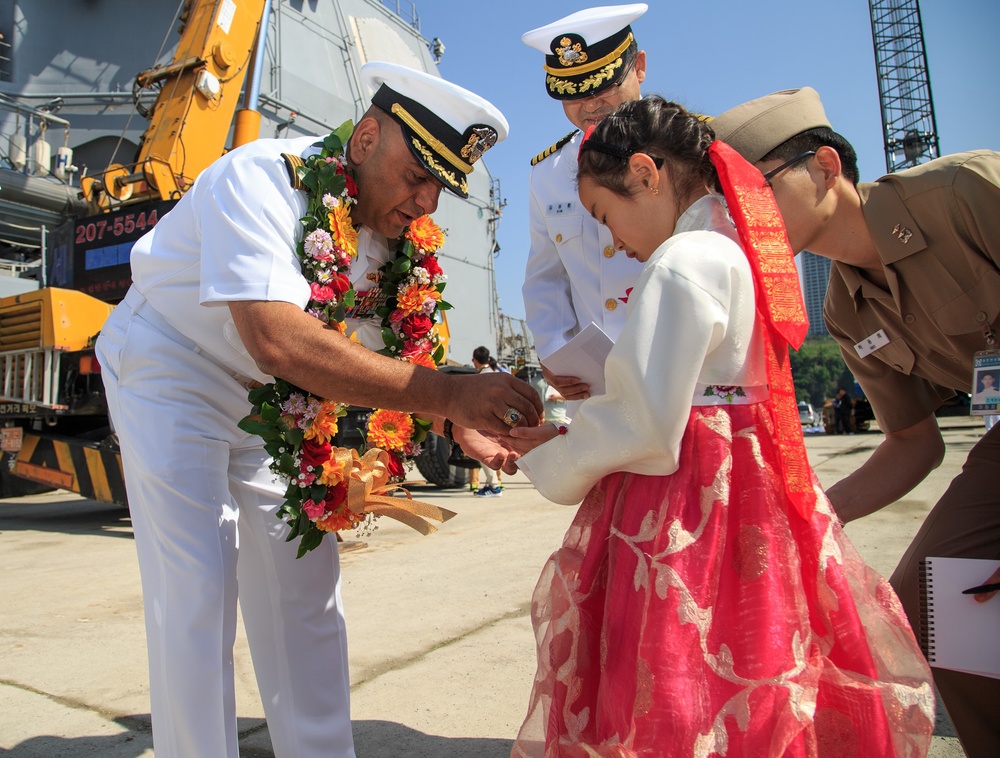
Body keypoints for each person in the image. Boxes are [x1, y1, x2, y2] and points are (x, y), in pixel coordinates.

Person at [94, 61, 539, 758]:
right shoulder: (261, 178)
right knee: (198, 589)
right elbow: (277, 337)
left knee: (306, 588)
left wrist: (456, 423)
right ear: (365, 139)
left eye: (440, 187)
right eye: (416, 175)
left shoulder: (394, 241)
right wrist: (447, 393)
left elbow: (381, 352)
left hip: (272, 399)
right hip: (172, 366)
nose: (426, 202)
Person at [506, 96, 934, 756]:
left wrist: (549, 459)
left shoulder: (684, 262)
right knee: (754, 679)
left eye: (606, 216)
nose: (615, 240)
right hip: (745, 506)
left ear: (646, 174)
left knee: (671, 690)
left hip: (681, 508)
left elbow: (643, 423)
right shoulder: (739, 252)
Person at [711, 86, 1000, 757]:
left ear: (826, 167)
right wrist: (797, 520)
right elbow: (911, 444)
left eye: (757, 188)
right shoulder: (845, 307)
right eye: (727, 204)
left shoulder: (965, 192)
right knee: (926, 610)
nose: (741, 217)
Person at [520, 4, 648, 410]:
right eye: (572, 93)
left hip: (678, 374)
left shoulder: (687, 150)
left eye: (601, 85)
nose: (589, 104)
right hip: (593, 390)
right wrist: (555, 353)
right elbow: (546, 275)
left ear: (639, 67)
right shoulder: (549, 174)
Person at [469, 345, 507, 496]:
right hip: (496, 417)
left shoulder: (479, 377)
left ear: (475, 360)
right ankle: (494, 483)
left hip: (483, 419)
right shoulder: (495, 374)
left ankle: (494, 486)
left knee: (483, 451)